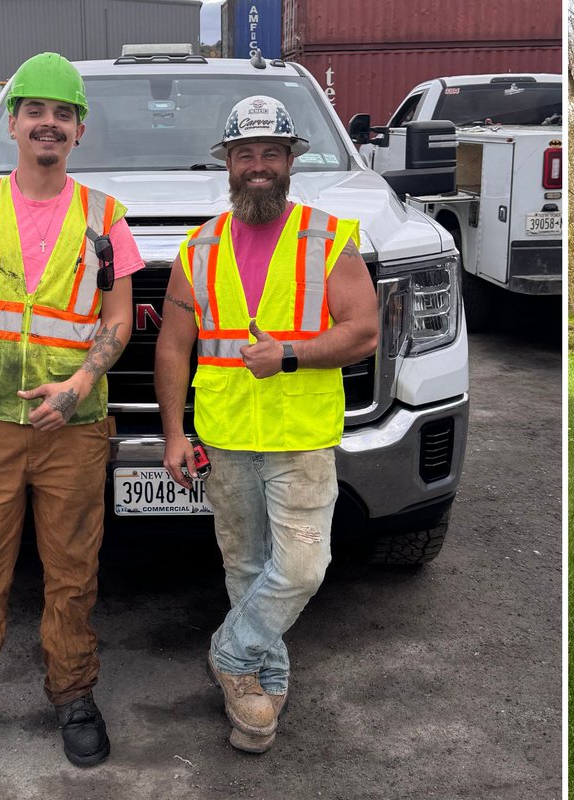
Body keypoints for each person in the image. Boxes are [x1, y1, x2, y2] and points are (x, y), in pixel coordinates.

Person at [0, 52, 144, 771]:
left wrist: (78, 384)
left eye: (63, 113)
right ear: (11, 123)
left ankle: (73, 694)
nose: (49, 123)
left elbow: (119, 319)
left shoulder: (106, 218)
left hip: (74, 428)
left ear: (80, 130)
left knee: (72, 573)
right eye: (35, 111)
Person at [153, 95, 379, 753]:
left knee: (304, 566)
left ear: (289, 162)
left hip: (299, 438)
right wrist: (174, 434)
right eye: (245, 153)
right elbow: (173, 347)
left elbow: (363, 331)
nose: (258, 165)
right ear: (228, 163)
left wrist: (291, 355)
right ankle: (259, 685)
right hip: (224, 439)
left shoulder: (327, 238)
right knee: (245, 566)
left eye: (271, 153)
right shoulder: (199, 247)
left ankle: (230, 652)